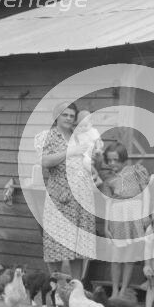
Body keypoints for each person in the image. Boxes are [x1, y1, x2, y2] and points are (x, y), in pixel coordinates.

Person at [40, 102, 96, 279]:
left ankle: (76, 287)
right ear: (57, 116)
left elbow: (88, 158)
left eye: (72, 116)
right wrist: (70, 151)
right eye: (65, 115)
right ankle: (56, 286)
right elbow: (45, 161)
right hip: (60, 196)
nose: (69, 119)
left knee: (79, 246)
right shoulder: (49, 136)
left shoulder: (78, 136)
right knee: (55, 243)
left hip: (81, 197)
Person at [101, 141, 150, 298]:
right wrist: (106, 225)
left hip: (134, 214)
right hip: (117, 216)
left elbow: (146, 193)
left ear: (123, 158)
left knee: (129, 257)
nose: (112, 163)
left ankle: (123, 290)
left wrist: (145, 214)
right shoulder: (109, 179)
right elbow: (108, 202)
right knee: (116, 257)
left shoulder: (136, 171)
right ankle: (115, 290)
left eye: (116, 159)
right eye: (109, 160)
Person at [73, 109, 104, 177]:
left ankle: (95, 173)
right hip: (84, 153)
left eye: (85, 125)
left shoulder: (93, 131)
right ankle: (92, 173)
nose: (83, 128)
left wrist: (98, 149)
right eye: (80, 126)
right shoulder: (78, 133)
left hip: (93, 152)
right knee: (84, 161)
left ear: (91, 123)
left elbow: (98, 141)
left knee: (99, 158)